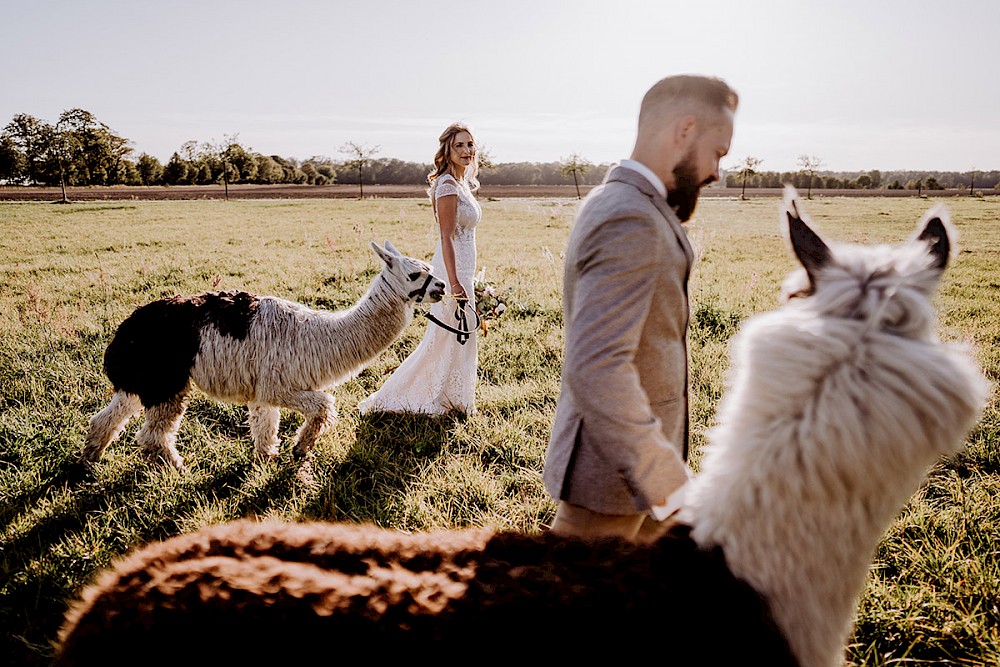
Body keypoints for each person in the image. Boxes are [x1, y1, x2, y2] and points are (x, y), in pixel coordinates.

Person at [543, 74, 739, 541]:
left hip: (636, 479)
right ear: (684, 130)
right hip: (611, 481)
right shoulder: (630, 216)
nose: (717, 173)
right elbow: (598, 367)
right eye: (719, 153)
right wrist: (667, 481)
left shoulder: (625, 202)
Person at [358, 122, 483, 415]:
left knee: (459, 333)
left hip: (463, 266)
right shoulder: (448, 185)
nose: (466, 151)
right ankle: (401, 397)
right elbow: (446, 236)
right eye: (459, 146)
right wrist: (454, 281)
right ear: (447, 151)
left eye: (470, 145)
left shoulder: (463, 183)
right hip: (452, 269)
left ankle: (456, 397)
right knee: (443, 336)